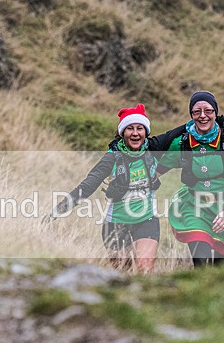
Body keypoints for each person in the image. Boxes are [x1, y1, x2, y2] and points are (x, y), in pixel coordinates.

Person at [48, 104, 186, 273]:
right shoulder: (112, 157)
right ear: (122, 133)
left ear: (146, 132)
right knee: (123, 272)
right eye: (130, 129)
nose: (135, 133)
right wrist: (60, 209)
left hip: (146, 219)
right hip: (115, 224)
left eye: (139, 128)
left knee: (145, 268)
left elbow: (178, 132)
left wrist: (212, 122)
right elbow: (88, 185)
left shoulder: (153, 148)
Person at [158, 91, 224, 266]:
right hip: (194, 205)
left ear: (215, 113)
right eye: (196, 112)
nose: (202, 116)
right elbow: (157, 172)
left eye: (208, 110)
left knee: (223, 267)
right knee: (201, 262)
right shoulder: (182, 143)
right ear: (191, 115)